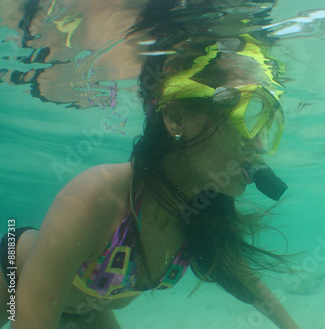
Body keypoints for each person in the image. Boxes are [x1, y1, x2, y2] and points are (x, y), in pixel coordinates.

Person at [0, 2, 301, 328]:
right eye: (244, 115)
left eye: (264, 124)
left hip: (87, 308)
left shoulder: (201, 213)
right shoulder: (95, 196)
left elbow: (246, 282)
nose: (258, 145)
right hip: (13, 281)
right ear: (175, 117)